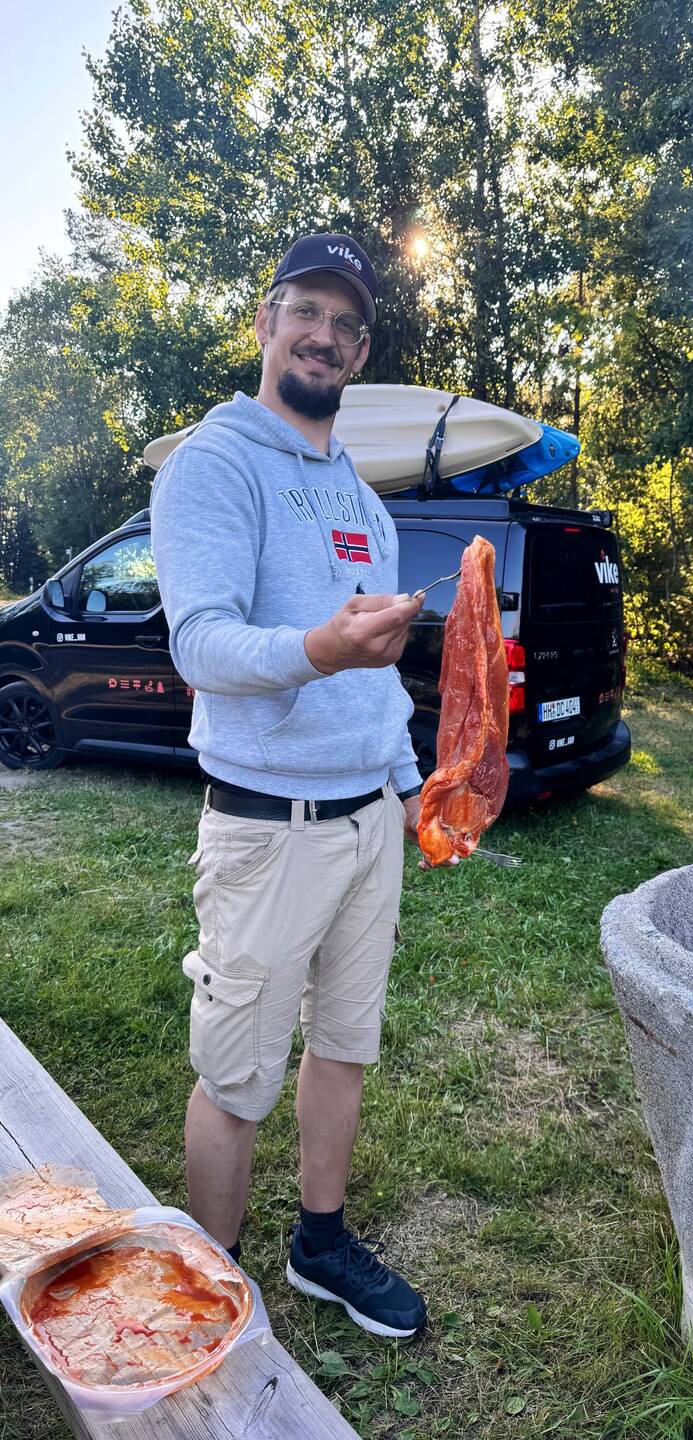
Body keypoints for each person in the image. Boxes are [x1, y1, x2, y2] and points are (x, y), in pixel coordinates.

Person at [151, 232, 432, 1339]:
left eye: (346, 323)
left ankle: (320, 1242)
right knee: (236, 1077)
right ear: (266, 322)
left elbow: (380, 675)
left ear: (360, 352)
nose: (324, 334)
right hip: (269, 829)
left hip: (369, 823)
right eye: (306, 310)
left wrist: (409, 786)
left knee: (345, 1044)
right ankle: (210, 1287)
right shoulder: (215, 464)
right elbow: (201, 643)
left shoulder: (363, 496)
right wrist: (317, 648)